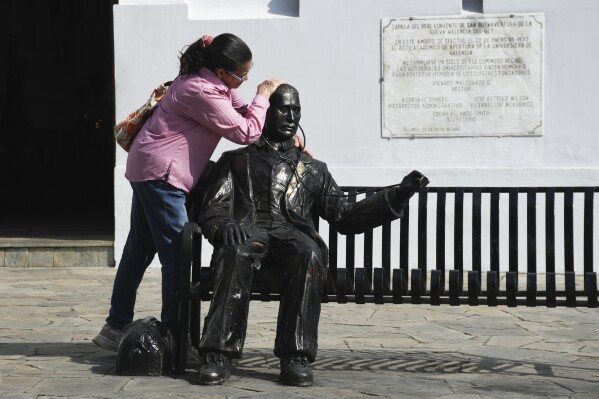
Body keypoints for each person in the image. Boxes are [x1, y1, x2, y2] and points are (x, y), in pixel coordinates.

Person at [194, 83, 429, 386]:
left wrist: (397, 195)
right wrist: (224, 225)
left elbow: (343, 216)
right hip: (249, 232)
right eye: (284, 108)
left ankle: (296, 356)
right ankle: (217, 353)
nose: (291, 116)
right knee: (235, 250)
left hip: (291, 234)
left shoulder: (313, 169)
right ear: (266, 112)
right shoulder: (236, 161)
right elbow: (213, 209)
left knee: (309, 252)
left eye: (296, 110)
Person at [92, 33, 288, 356]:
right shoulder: (199, 91)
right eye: (243, 75)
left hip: (146, 168)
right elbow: (245, 131)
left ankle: (115, 326)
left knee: (139, 249)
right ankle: (174, 336)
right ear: (223, 72)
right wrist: (264, 94)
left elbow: (247, 113)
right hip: (162, 177)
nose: (247, 79)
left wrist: (282, 132)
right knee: (176, 258)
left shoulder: (212, 85)